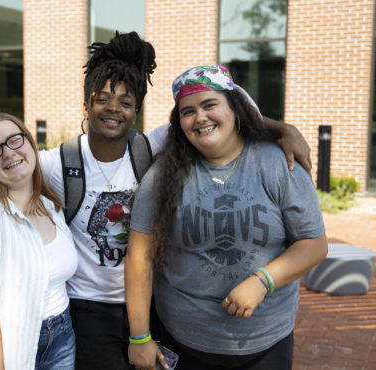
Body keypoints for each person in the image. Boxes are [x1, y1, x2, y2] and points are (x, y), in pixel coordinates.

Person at [0, 33, 312, 370]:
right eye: (102, 99)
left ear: (137, 109)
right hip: (89, 307)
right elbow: (13, 166)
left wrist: (281, 129)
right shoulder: (58, 163)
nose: (113, 109)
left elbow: (227, 109)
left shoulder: (150, 147)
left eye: (125, 102)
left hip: (150, 302)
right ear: (86, 102)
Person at [126, 65, 328, 370]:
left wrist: (263, 280)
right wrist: (140, 337)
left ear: (235, 109)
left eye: (210, 105)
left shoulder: (277, 163)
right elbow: (139, 257)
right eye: (188, 111)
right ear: (179, 123)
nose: (200, 118)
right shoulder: (163, 175)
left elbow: (314, 243)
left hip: (266, 344)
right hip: (185, 343)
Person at [0, 113, 78, 369]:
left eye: (14, 140)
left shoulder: (50, 206)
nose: (8, 153)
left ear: (30, 144)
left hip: (62, 335)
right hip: (10, 344)